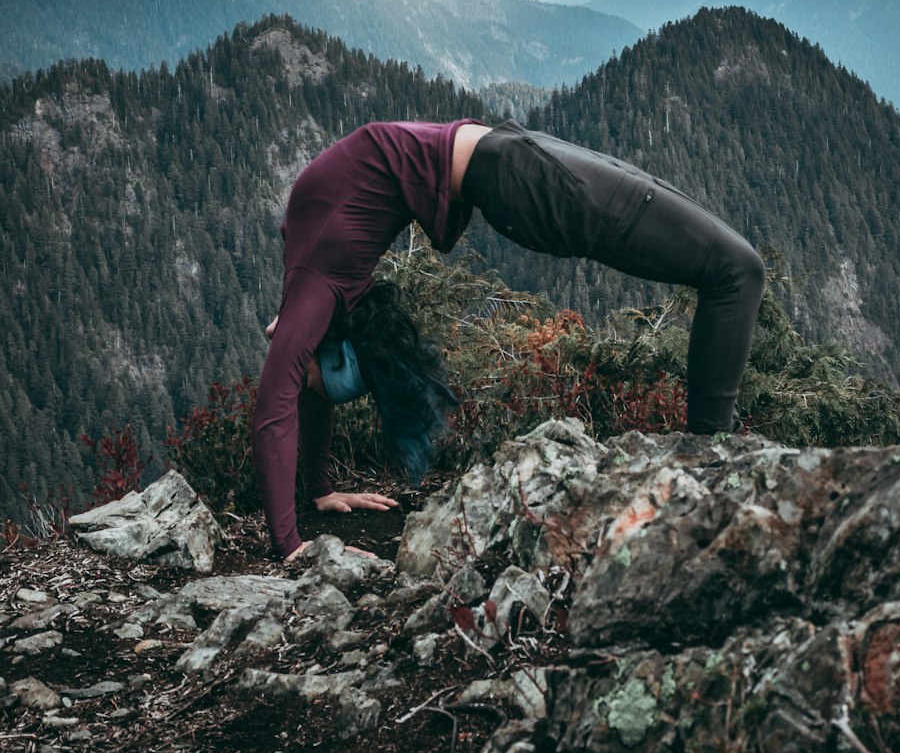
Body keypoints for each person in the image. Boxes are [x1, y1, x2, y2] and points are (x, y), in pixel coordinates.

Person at [252, 119, 765, 563]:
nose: (301, 381)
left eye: (310, 377)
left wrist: (291, 544)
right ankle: (712, 460)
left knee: (735, 270)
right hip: (510, 162)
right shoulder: (315, 273)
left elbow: (274, 409)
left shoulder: (314, 285)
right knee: (734, 268)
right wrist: (320, 490)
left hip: (519, 170)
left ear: (321, 343)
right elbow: (301, 384)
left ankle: (710, 463)